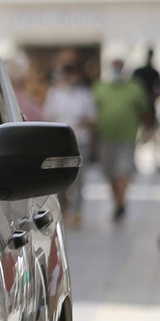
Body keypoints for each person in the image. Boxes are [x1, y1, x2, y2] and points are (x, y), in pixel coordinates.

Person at [92, 57, 151, 221]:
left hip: (127, 137)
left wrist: (147, 130)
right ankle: (118, 201)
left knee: (123, 170)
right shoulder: (100, 88)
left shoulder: (135, 88)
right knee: (110, 172)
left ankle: (120, 203)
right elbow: (93, 112)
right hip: (106, 137)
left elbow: (144, 111)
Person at [43, 62, 96, 228]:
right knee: (61, 180)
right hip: (60, 144)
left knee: (79, 180)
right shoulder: (55, 94)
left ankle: (77, 213)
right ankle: (63, 211)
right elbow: (47, 118)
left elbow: (93, 120)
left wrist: (85, 123)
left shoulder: (85, 95)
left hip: (81, 142)